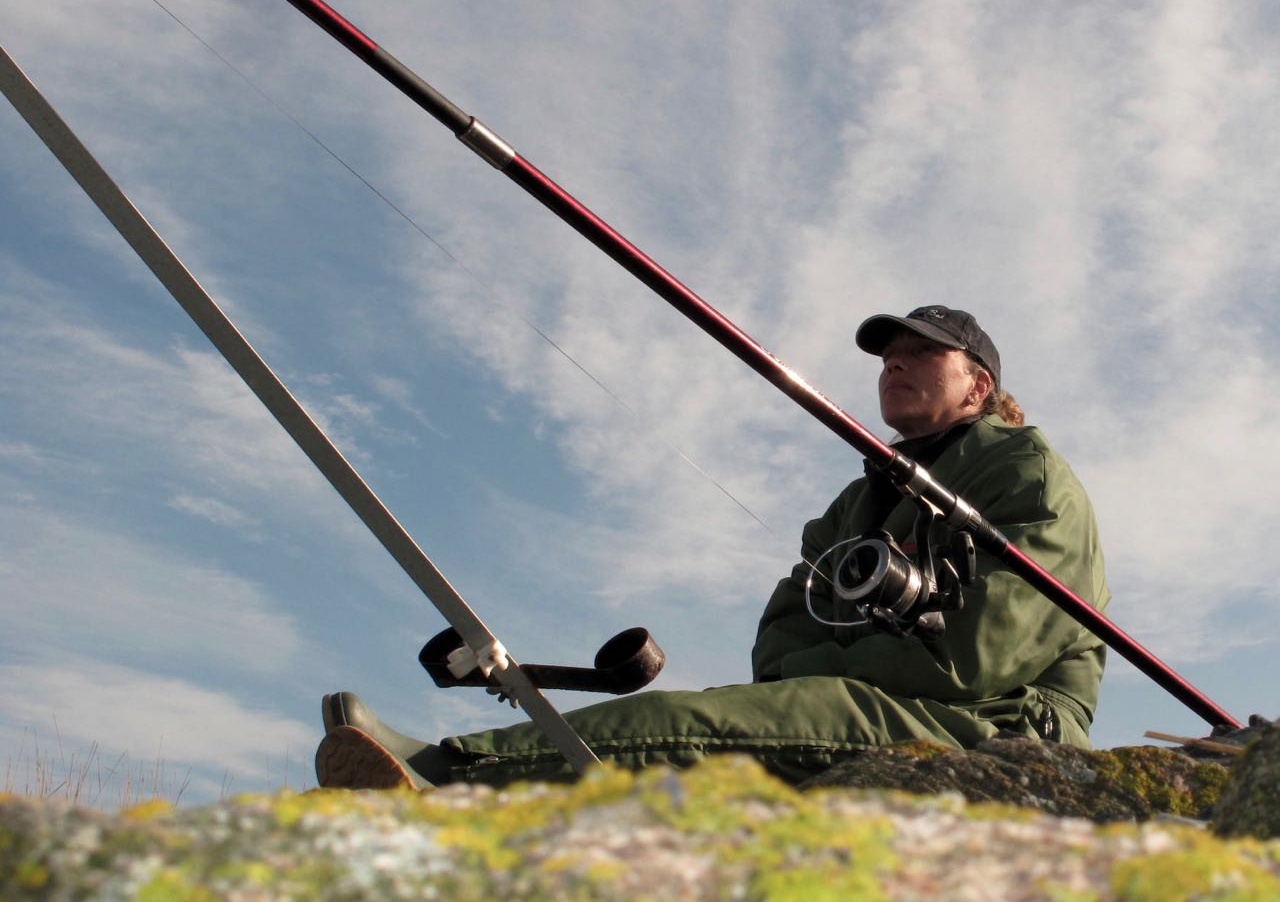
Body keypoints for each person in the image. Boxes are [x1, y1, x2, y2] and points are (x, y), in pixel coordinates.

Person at [315, 305, 1109, 791]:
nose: (894, 362)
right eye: (887, 354)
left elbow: (971, 657)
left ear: (977, 385)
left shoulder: (1030, 476)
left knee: (695, 720)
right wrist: (813, 673)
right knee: (739, 714)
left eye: (923, 351)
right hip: (885, 696)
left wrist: (822, 673)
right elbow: (781, 635)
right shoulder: (860, 499)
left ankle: (446, 772)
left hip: (1000, 720)